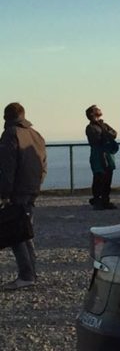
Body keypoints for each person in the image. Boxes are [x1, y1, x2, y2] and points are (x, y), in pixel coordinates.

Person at [0, 103, 47, 290]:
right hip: (31, 189)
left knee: (16, 234)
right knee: (26, 231)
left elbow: (7, 167)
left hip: (17, 190)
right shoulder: (37, 135)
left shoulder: (11, 134)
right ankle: (31, 273)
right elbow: (43, 166)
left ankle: (26, 275)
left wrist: (4, 193)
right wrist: (36, 186)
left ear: (6, 116)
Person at [85, 105, 118, 210]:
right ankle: (97, 200)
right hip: (98, 154)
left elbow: (114, 133)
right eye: (97, 109)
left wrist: (106, 133)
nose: (100, 110)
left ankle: (105, 200)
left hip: (108, 153)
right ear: (92, 113)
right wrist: (107, 135)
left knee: (108, 177)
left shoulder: (104, 125)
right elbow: (97, 139)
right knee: (99, 176)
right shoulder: (90, 127)